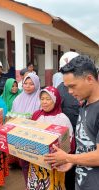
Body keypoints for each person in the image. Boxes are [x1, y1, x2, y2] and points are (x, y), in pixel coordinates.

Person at [44, 55, 99, 190]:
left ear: (89, 79)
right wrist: (73, 161)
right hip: (82, 182)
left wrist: (68, 158)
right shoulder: (84, 104)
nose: (69, 92)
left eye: (72, 86)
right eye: (67, 87)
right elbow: (86, 146)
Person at [27, 86, 74, 190]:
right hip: (36, 161)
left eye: (48, 99)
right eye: (42, 99)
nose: (44, 102)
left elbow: (69, 144)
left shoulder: (62, 119)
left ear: (56, 100)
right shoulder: (36, 115)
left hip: (55, 164)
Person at [11, 73, 41, 185]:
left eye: (31, 84)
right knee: (24, 164)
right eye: (25, 83)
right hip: (21, 137)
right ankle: (28, 185)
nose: (27, 86)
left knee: (36, 164)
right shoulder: (17, 99)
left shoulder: (40, 99)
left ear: (37, 85)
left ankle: (37, 185)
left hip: (35, 138)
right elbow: (13, 117)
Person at [57, 52, 80, 190]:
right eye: (64, 70)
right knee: (70, 176)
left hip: (87, 141)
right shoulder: (60, 88)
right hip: (69, 139)